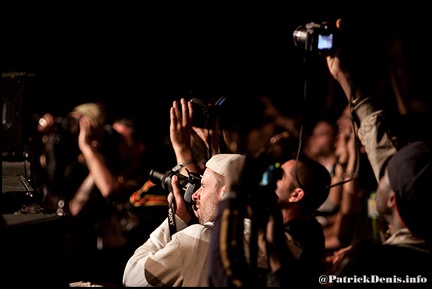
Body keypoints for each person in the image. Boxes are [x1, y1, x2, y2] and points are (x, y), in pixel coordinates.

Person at [323, 17, 432, 286]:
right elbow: (387, 155)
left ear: (393, 200)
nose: (382, 167)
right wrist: (348, 83)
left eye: (386, 174)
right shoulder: (417, 222)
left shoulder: (381, 268)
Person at [122, 153, 268, 287]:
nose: (194, 195)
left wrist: (175, 219)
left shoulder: (199, 238)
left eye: (203, 186)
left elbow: (132, 277)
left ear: (226, 194)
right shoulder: (282, 242)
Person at [67, 113, 168, 286]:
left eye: (120, 140)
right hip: (94, 271)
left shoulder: (149, 180)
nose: (113, 144)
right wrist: (97, 159)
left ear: (138, 146)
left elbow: (112, 191)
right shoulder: (105, 174)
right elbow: (75, 209)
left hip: (124, 276)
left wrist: (87, 148)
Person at [208, 151, 331, 287]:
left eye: (280, 175)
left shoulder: (297, 238)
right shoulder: (308, 226)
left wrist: (233, 195)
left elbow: (224, 276)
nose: (271, 177)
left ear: (295, 195)